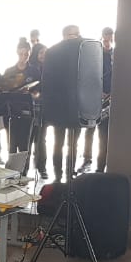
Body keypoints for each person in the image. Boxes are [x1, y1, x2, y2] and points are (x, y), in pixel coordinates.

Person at [42, 25, 85, 181]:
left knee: (62, 143)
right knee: (67, 143)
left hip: (61, 106)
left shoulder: (52, 51)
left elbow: (46, 82)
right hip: (73, 106)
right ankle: (65, 174)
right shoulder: (83, 52)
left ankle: (62, 174)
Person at [82, 27, 114, 171]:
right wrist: (98, 91)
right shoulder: (96, 54)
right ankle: (87, 159)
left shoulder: (115, 56)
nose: (107, 41)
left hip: (110, 99)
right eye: (105, 38)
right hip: (95, 98)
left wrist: (111, 93)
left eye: (110, 38)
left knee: (104, 134)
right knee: (90, 130)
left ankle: (101, 166)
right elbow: (89, 75)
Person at [2, 38, 37, 154]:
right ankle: (12, 165)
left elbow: (38, 91)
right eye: (21, 54)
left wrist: (31, 94)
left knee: (25, 145)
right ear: (17, 52)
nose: (23, 57)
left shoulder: (34, 71)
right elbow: (3, 89)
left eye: (26, 54)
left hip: (27, 109)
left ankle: (24, 166)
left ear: (29, 54)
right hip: (11, 110)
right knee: (11, 145)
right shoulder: (9, 71)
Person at [29, 43, 49, 177]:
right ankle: (24, 168)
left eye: (45, 53)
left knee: (41, 139)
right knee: (29, 138)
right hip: (30, 107)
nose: (43, 55)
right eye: (41, 52)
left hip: (44, 107)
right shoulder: (31, 69)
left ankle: (42, 167)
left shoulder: (50, 68)